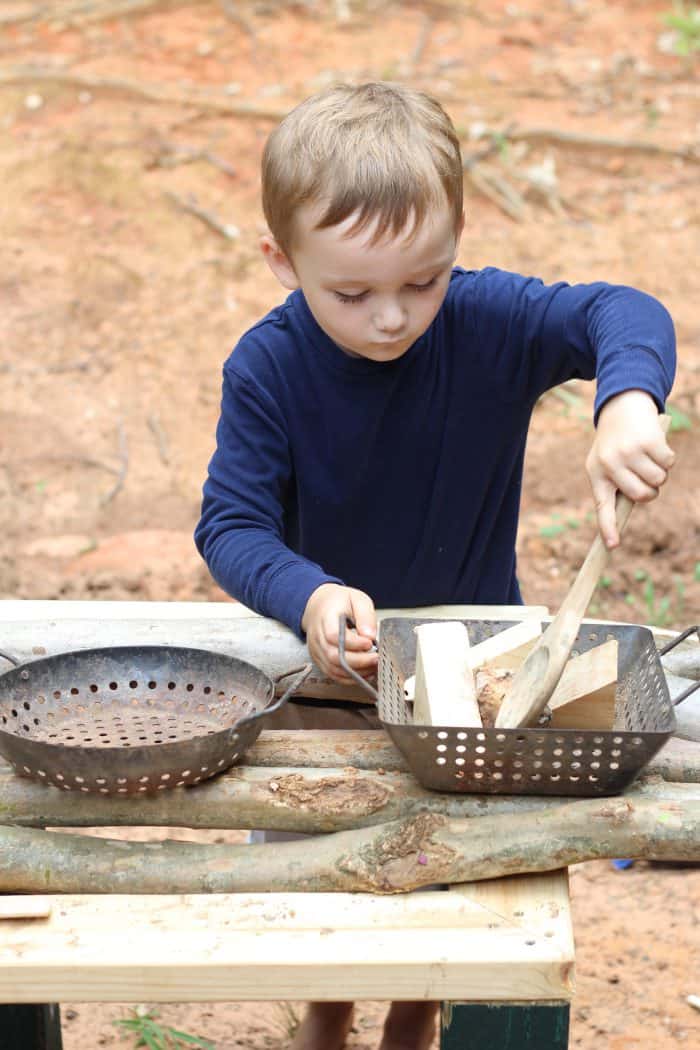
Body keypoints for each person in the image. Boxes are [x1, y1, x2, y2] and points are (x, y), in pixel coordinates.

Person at [195, 82, 676, 1050]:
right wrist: (311, 594)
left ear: (457, 237)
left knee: (453, 885)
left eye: (424, 279)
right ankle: (326, 1017)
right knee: (322, 879)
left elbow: (622, 311)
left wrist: (625, 399)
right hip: (329, 687)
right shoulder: (267, 368)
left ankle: (413, 1020)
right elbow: (231, 524)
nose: (391, 317)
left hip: (480, 695)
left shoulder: (485, 321)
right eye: (351, 292)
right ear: (280, 262)